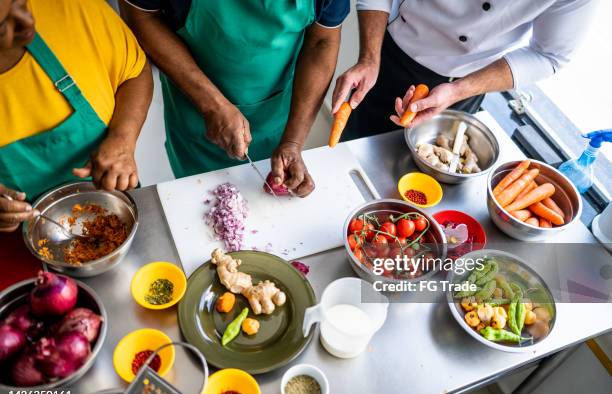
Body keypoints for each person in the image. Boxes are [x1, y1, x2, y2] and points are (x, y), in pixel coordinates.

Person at [121, 0, 349, 197]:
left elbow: (322, 41)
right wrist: (211, 105)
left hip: (274, 104)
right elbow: (140, 16)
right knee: (197, 195)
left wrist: (293, 142)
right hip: (193, 101)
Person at [332, 0, 597, 137]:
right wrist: (369, 57)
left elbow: (549, 55)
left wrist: (458, 90)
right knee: (354, 152)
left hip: (466, 85)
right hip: (391, 58)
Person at [0, 0, 153, 233]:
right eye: (2, 27)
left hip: (117, 205)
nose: (27, 22)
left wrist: (123, 140)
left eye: (19, 2)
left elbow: (134, 73)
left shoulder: (68, 7)